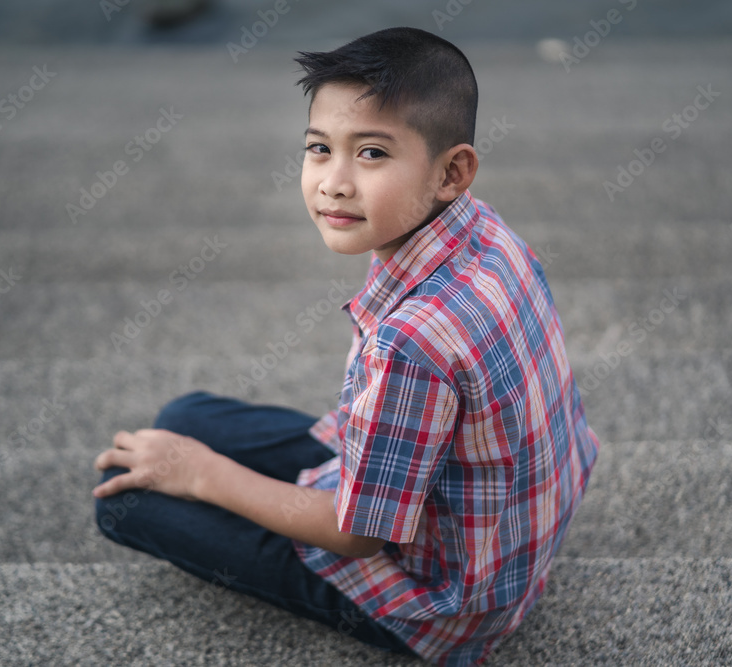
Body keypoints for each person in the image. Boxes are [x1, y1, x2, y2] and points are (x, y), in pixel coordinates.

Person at [93, 26, 599, 666]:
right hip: (502, 529)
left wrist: (200, 474)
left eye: (372, 155)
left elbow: (358, 535)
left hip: (443, 602)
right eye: (319, 148)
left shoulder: (410, 342)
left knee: (127, 498)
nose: (333, 181)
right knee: (182, 417)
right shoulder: (481, 230)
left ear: (453, 170)